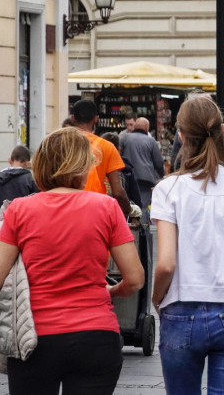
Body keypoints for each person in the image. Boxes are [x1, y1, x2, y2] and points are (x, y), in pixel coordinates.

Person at [0, 127, 144, 394]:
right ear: (83, 167)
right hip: (96, 334)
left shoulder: (19, 210)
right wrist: (112, 291)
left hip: (35, 337)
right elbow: (135, 279)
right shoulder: (107, 207)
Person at [150, 94, 224, 394]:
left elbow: (166, 263)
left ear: (181, 136)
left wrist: (157, 299)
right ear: (223, 132)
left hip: (181, 308)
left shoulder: (169, 189)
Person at [71, 99, 131, 215]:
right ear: (96, 119)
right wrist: (128, 210)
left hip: (64, 207)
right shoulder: (107, 147)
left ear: (73, 118)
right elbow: (117, 192)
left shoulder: (58, 144)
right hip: (95, 210)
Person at [120, 116, 165, 224]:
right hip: (145, 178)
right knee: (143, 206)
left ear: (135, 126)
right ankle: (142, 231)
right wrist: (162, 175)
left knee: (127, 204)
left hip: (127, 177)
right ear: (147, 128)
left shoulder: (125, 138)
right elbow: (158, 162)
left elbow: (118, 154)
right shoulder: (151, 141)